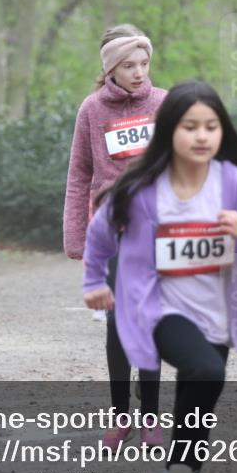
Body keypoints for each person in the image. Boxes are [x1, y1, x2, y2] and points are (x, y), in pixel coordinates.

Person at [83, 81, 237, 473]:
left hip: (216, 314)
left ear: (222, 132)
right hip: (157, 308)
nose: (201, 136)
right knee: (206, 369)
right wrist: (94, 282)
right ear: (168, 131)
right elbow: (100, 232)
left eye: (211, 127)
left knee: (202, 386)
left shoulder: (232, 183)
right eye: (189, 126)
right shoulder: (144, 188)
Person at [63, 24, 165, 450]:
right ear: (111, 70)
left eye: (144, 63)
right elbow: (79, 174)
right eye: (128, 66)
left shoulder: (164, 104)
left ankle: (151, 417)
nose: (139, 73)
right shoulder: (92, 110)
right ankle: (121, 415)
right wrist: (76, 236)